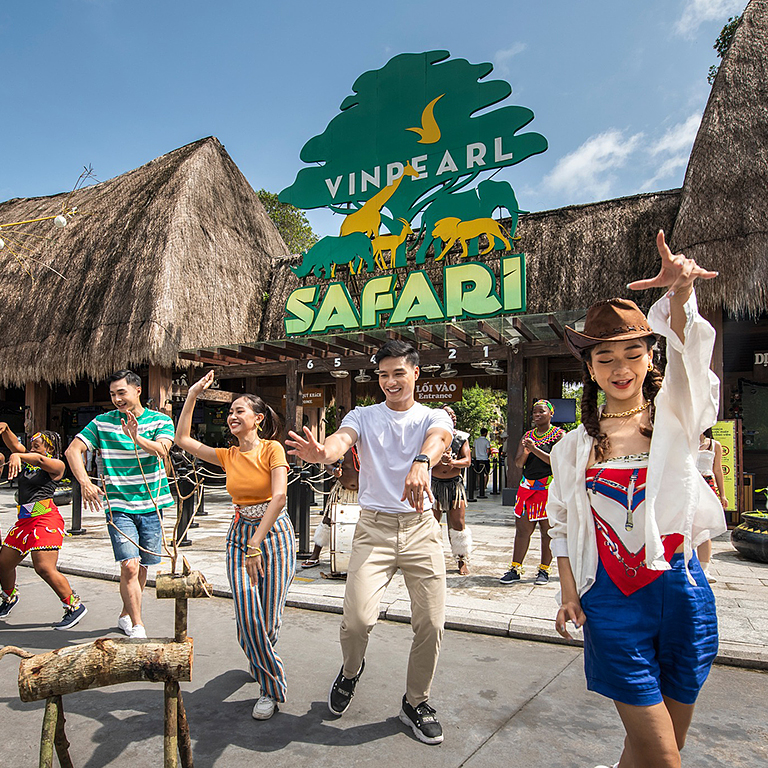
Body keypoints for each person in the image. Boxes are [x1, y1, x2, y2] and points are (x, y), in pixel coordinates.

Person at [548, 231, 725, 768]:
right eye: (605, 358)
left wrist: (679, 299)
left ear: (650, 358)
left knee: (660, 747)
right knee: (664, 757)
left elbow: (694, 362)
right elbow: (560, 526)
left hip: (684, 595)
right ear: (591, 368)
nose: (620, 368)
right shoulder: (574, 448)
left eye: (633, 353)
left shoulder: (677, 418)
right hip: (613, 602)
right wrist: (569, 593)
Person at [286, 340, 453, 745]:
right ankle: (350, 671)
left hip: (420, 530)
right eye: (383, 375)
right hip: (374, 529)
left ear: (415, 373)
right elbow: (340, 441)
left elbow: (438, 439)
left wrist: (422, 462)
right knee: (358, 620)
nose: (391, 381)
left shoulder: (434, 415)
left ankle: (416, 702)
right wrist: (323, 451)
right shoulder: (363, 415)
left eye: (398, 373)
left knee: (431, 623)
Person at [175, 371, 295, 721]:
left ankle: (264, 676)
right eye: (230, 411)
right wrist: (194, 393)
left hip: (274, 535)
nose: (232, 415)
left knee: (268, 620)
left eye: (239, 410)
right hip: (239, 534)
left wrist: (257, 542)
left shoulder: (272, 449)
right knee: (246, 616)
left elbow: (280, 496)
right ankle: (272, 684)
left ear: (258, 419)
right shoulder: (227, 455)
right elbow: (182, 438)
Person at [65, 370, 175, 639]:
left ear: (137, 390)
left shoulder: (160, 420)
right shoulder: (102, 423)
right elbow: (72, 450)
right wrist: (85, 482)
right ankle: (138, 625)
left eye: (121, 393)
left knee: (143, 566)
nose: (116, 399)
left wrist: (136, 437)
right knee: (129, 565)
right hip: (119, 505)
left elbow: (163, 450)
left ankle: (126, 614)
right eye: (113, 394)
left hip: (152, 504)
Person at [0, 425, 87, 629]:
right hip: (24, 522)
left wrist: (17, 456)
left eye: (36, 445)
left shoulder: (57, 465)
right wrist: (4, 429)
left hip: (45, 519)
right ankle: (10, 597)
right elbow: (14, 444)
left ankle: (74, 606)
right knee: (3, 563)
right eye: (31, 444)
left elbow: (37, 459)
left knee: (44, 567)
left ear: (48, 448)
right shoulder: (26, 458)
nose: (32, 446)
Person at [499, 400, 564, 586]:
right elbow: (519, 464)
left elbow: (557, 462)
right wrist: (527, 451)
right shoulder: (527, 436)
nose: (536, 415)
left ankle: (544, 570)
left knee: (547, 531)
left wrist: (535, 449)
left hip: (549, 488)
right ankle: (515, 568)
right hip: (527, 488)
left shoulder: (559, 435)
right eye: (534, 412)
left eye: (541, 411)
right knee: (522, 530)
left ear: (551, 413)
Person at [302, 446, 359, 571]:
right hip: (341, 491)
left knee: (368, 523)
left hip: (363, 493)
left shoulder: (369, 446)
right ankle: (315, 555)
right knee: (328, 521)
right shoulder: (343, 447)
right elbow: (328, 464)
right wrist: (334, 471)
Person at [431, 406, 473, 575]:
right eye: (448, 414)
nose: (452, 417)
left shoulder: (461, 437)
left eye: (454, 414)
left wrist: (452, 462)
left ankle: (462, 559)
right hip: (433, 485)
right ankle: (431, 558)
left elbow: (467, 461)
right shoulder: (430, 436)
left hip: (454, 485)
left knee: (458, 524)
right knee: (431, 524)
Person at [696, 428, 728, 582]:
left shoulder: (715, 445)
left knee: (705, 528)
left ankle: (704, 569)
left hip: (708, 484)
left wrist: (722, 494)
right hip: (690, 483)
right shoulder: (685, 442)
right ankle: (688, 564)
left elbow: (718, 470)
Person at [472, 428, 491, 496]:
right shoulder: (486, 441)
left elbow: (473, 449)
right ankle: (484, 486)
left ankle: (480, 485)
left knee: (478, 473)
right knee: (486, 473)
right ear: (486, 433)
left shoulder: (476, 441)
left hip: (477, 458)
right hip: (485, 459)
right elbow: (488, 450)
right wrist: (487, 455)